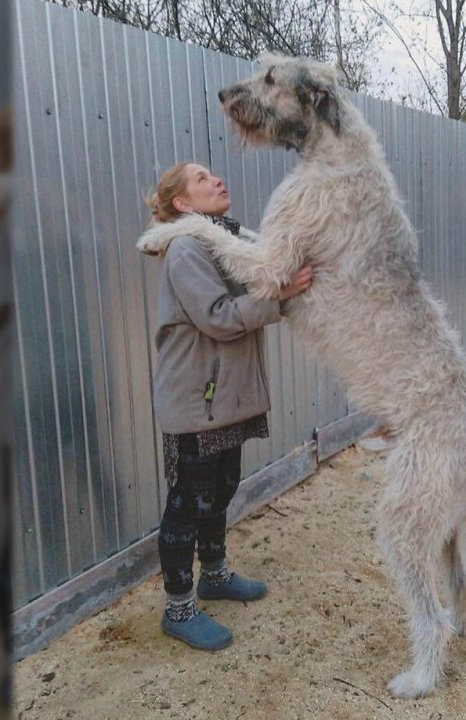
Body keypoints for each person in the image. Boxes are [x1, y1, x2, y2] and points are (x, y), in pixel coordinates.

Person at [137, 162, 313, 651]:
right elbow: (218, 317)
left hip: (223, 399)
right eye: (201, 179)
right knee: (188, 501)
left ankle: (213, 574)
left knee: (221, 489)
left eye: (213, 174)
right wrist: (281, 294)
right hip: (196, 399)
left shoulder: (225, 243)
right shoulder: (187, 248)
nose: (216, 180)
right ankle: (178, 607)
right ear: (182, 204)